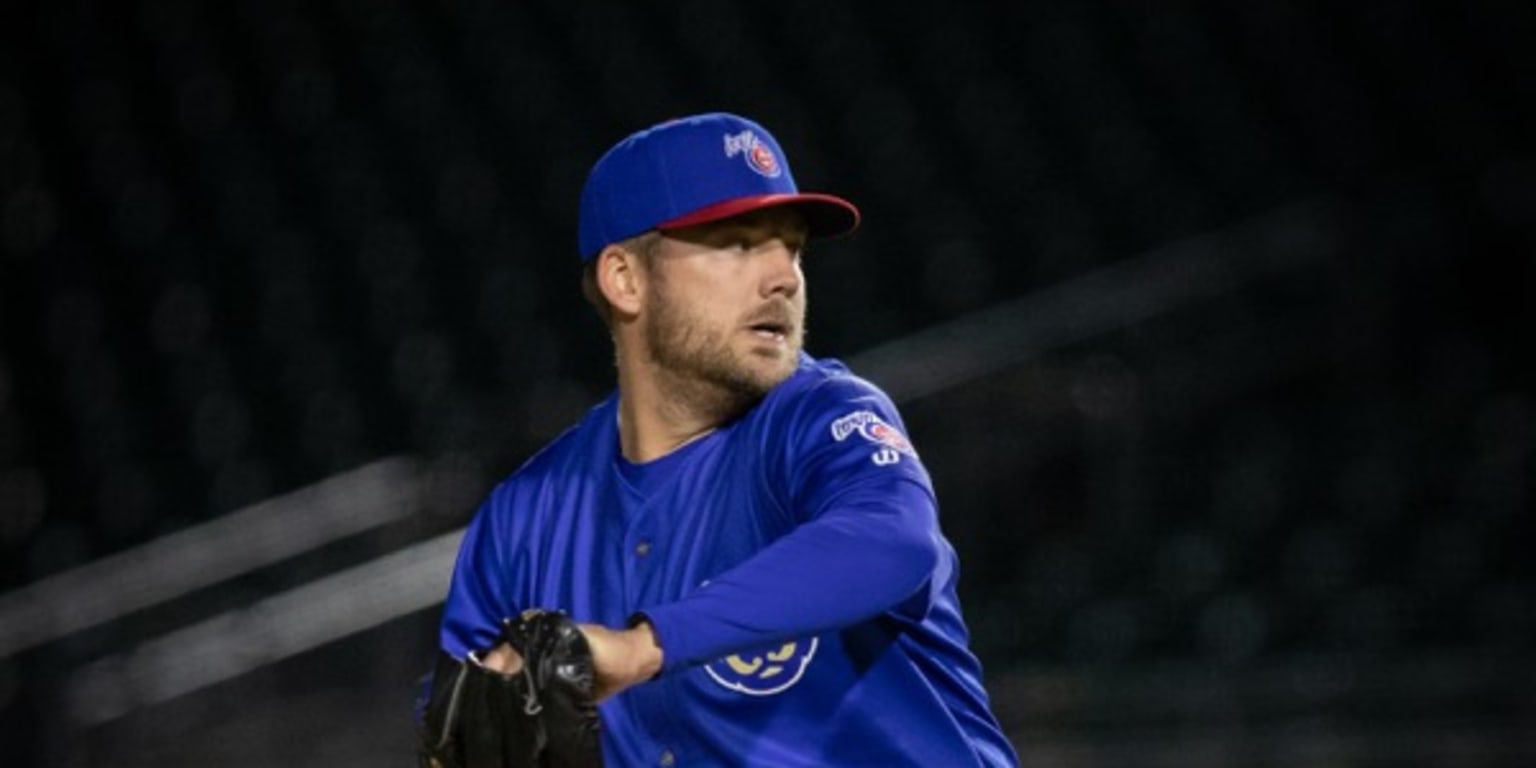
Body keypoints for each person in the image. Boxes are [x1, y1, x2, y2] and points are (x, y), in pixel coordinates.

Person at [431, 111, 1018, 766]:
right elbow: (462, 731)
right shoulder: (522, 520)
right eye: (739, 244)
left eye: (791, 248)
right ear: (625, 279)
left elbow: (893, 539)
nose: (785, 278)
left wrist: (642, 646)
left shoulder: (819, 421)